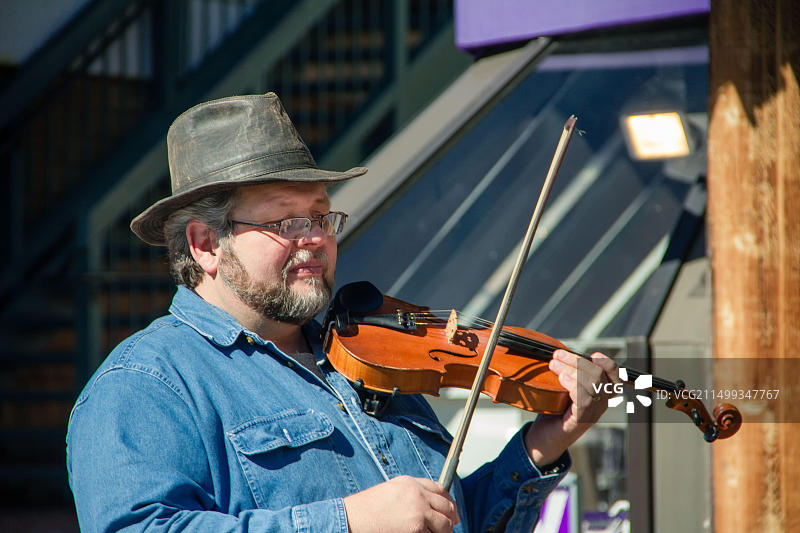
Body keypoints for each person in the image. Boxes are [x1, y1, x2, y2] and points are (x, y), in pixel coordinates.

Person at [67, 93, 620, 533]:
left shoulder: (366, 354)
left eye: (320, 216)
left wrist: (543, 445)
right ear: (206, 244)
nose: (314, 238)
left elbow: (449, 520)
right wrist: (348, 522)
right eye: (285, 222)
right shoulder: (146, 384)